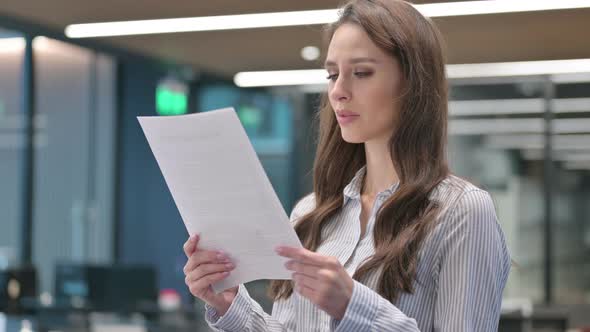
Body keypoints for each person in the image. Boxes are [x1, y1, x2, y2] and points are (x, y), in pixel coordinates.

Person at [182, 0, 511, 330]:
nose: (338, 91)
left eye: (362, 73)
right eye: (332, 74)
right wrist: (231, 305)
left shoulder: (462, 211)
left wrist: (353, 307)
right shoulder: (312, 214)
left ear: (413, 84)